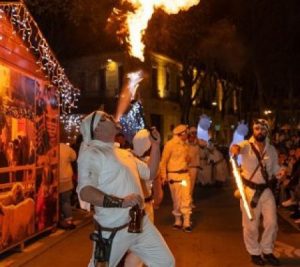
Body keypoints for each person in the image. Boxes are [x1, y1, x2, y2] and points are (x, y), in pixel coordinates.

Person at [77, 110, 174, 267]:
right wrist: (121, 202)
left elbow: (150, 173)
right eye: (105, 118)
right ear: (96, 129)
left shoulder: (123, 153)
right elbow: (85, 191)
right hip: (114, 230)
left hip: (140, 223)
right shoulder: (92, 153)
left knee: (165, 262)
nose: (111, 117)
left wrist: (155, 146)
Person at [230, 119, 285, 266]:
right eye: (257, 129)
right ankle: (254, 252)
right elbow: (236, 148)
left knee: (272, 223)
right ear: (253, 130)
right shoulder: (246, 146)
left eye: (262, 129)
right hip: (249, 191)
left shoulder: (271, 150)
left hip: (266, 191)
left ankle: (267, 250)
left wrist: (280, 172)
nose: (259, 131)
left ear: (267, 131)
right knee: (251, 225)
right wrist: (234, 148)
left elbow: (274, 169)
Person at [160, 124, 192, 232]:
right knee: (176, 199)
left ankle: (187, 221)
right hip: (173, 175)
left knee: (186, 197)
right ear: (181, 134)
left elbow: (188, 159)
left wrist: (188, 160)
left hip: (185, 175)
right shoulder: (170, 145)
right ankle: (178, 220)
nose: (188, 135)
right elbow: (163, 161)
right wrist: (163, 176)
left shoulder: (186, 145)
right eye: (186, 133)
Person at [59, 142, 77, 229]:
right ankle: (69, 221)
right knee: (66, 201)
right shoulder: (66, 148)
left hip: (55, 179)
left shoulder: (52, 148)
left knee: (57, 202)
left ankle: (60, 219)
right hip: (66, 178)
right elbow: (74, 157)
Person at [187, 126, 201, 208]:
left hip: (194, 166)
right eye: (192, 133)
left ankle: (189, 201)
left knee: (191, 186)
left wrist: (196, 140)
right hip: (185, 166)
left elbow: (204, 143)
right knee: (186, 186)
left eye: (195, 133)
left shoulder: (197, 142)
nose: (194, 135)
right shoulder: (185, 142)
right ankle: (185, 201)